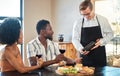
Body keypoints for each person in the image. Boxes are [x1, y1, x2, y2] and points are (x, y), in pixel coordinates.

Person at [72, 0, 113, 67]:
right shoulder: (78, 22)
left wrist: (101, 41)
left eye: (88, 14)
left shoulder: (102, 20)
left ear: (92, 10)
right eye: (83, 14)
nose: (85, 16)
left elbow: (110, 34)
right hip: (85, 56)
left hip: (99, 56)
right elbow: (74, 39)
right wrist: (80, 48)